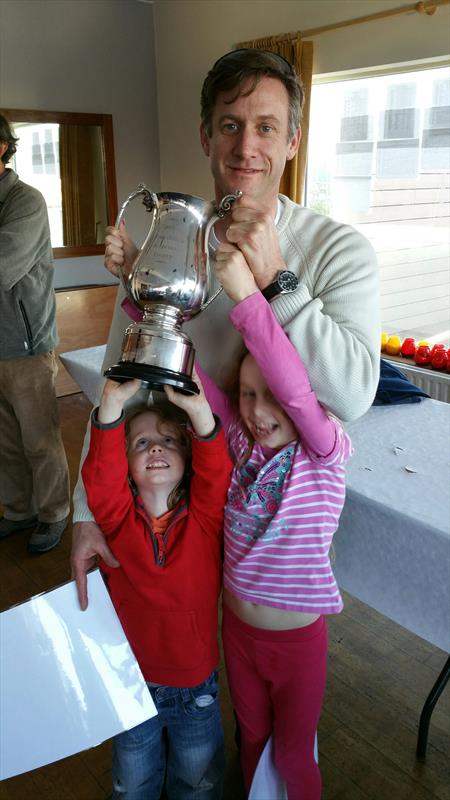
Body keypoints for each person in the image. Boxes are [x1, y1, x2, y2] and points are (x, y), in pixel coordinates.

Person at [71, 48, 379, 605]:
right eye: (230, 126)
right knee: (175, 672)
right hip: (166, 516)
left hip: (270, 548)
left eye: (267, 127)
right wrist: (87, 512)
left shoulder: (340, 251)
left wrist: (277, 280)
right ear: (205, 136)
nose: (246, 148)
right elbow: (117, 387)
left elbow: (353, 395)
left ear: (292, 141)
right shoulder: (167, 250)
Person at [194, 241, 352, 799]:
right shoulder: (242, 440)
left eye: (274, 398)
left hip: (297, 646)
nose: (260, 411)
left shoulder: (323, 452)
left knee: (293, 753)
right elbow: (197, 381)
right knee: (253, 739)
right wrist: (145, 311)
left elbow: (291, 388)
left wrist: (248, 301)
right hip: (237, 634)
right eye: (248, 395)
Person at [81, 369, 232, 800]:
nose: (156, 449)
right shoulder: (114, 520)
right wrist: (109, 409)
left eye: (168, 440)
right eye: (142, 443)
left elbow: (217, 473)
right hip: (131, 683)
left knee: (197, 785)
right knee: (133, 787)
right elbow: (102, 480)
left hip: (195, 688)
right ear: (127, 465)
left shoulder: (206, 518)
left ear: (187, 458)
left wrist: (199, 411)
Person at [0, 113, 70, 553]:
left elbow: (3, 265)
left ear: (2, 147)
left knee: (39, 439)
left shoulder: (26, 201)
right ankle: (18, 510)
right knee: (5, 441)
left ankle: (54, 513)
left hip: (26, 346)